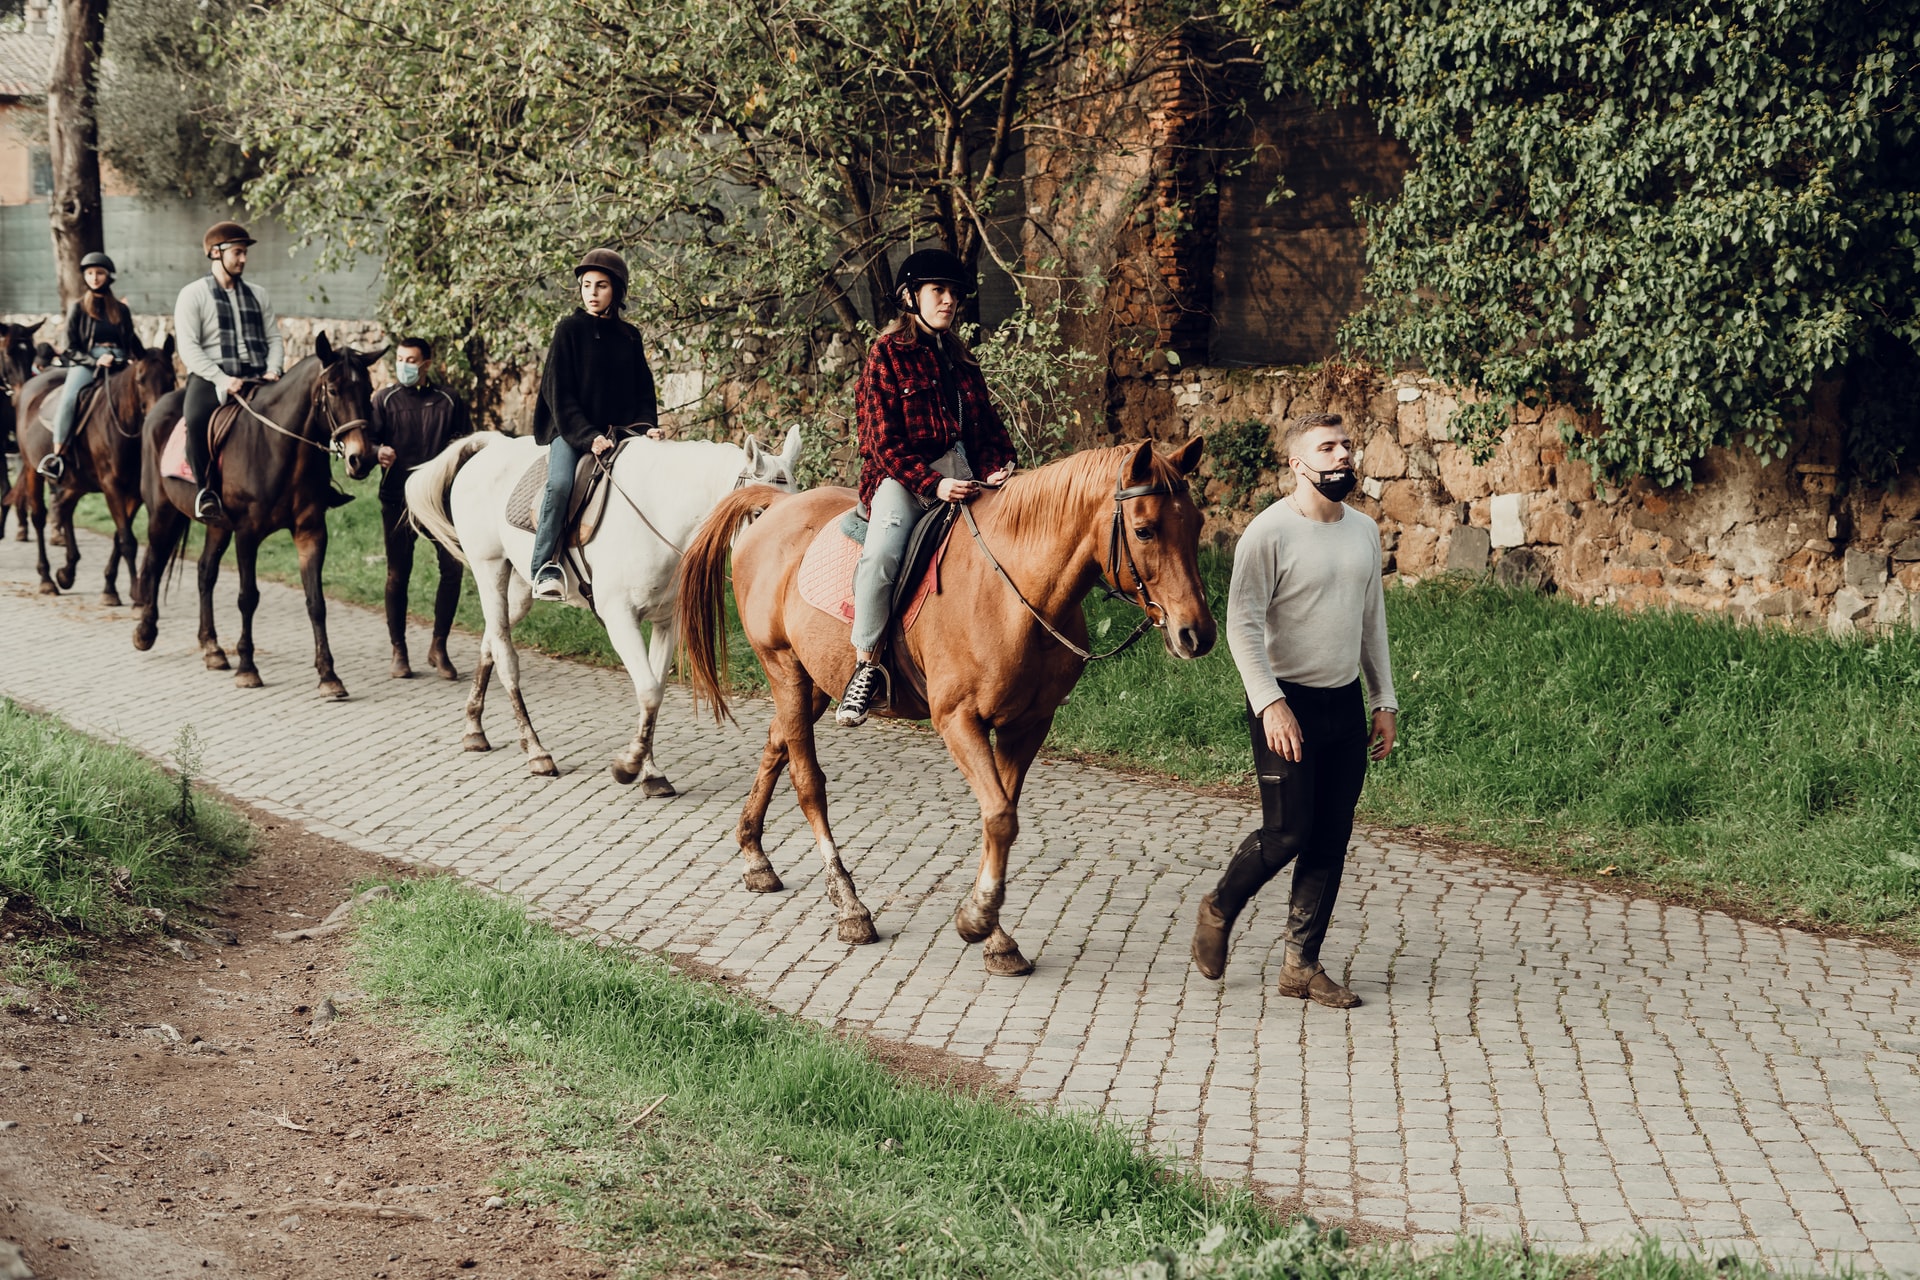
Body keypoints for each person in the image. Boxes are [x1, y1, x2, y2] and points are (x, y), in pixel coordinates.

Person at [1190, 412, 1398, 1009]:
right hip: (1285, 702)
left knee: (1330, 836)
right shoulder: (1268, 533)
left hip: (1343, 702)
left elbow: (1371, 622)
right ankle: (1219, 907)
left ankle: (1301, 966)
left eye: (1347, 446)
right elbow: (1241, 626)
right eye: (1326, 448)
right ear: (1297, 464)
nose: (1341, 457)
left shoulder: (1363, 530)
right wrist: (1270, 703)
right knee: (1287, 832)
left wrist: (1382, 699)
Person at [835, 248, 1017, 727]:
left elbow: (989, 431)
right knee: (882, 556)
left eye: (954, 293)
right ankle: (866, 664)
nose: (949, 300)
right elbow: (881, 442)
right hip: (902, 478)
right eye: (939, 291)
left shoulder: (961, 359)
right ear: (910, 297)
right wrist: (932, 485)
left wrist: (998, 467)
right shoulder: (886, 354)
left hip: (961, 471)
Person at [528, 247, 657, 600]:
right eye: (587, 285)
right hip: (570, 430)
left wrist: (648, 427)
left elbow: (643, 390)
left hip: (619, 432)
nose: (593, 293)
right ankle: (543, 567)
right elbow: (560, 393)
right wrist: (588, 436)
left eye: (601, 285)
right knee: (558, 485)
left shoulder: (630, 337)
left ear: (616, 290)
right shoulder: (569, 330)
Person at [370, 337, 472, 678]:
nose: (404, 366)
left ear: (427, 363)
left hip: (441, 502)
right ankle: (398, 650)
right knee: (398, 575)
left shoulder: (449, 400)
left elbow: (467, 447)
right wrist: (377, 453)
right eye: (400, 359)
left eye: (411, 360)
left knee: (452, 570)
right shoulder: (383, 399)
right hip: (397, 500)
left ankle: (438, 646)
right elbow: (368, 442)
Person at [174, 221, 283, 524]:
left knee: (302, 413)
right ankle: (205, 491)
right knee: (195, 420)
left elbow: (273, 338)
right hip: (212, 377)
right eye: (238, 252)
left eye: (245, 252)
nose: (244, 259)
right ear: (215, 253)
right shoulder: (192, 294)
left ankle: (317, 487)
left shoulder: (259, 294)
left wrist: (274, 369)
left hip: (260, 375)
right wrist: (223, 379)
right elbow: (189, 348)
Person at [38, 252, 144, 480]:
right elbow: (69, 347)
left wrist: (146, 358)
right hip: (87, 361)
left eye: (99, 273)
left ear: (108, 276)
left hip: (119, 360)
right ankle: (57, 456)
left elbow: (131, 340)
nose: (95, 278)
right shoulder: (78, 308)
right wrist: (95, 360)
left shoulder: (121, 310)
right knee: (69, 399)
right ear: (85, 277)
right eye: (90, 274)